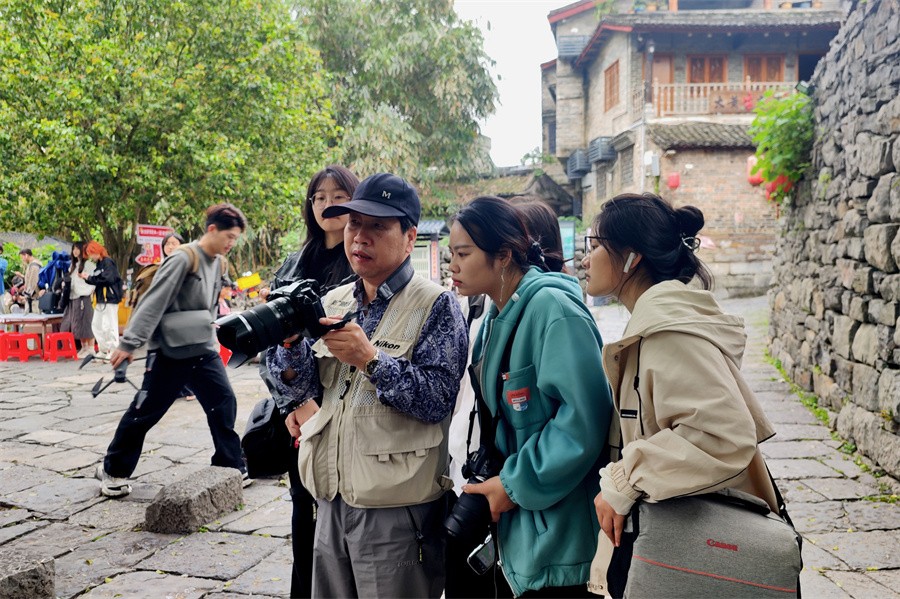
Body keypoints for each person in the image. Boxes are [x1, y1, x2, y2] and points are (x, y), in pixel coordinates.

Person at [266, 173, 468, 599]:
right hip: (331, 497)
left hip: (396, 509)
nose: (360, 236)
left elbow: (438, 399)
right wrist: (289, 344)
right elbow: (305, 385)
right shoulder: (334, 300)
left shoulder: (436, 304)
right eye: (355, 223)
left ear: (409, 237)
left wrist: (372, 360)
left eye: (378, 226)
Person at [582, 193, 780, 596]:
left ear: (631, 257)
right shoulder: (655, 323)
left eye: (596, 245)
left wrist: (624, 479)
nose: (586, 260)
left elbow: (721, 434)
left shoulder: (668, 332)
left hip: (700, 548)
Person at [447, 196, 612, 597]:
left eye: (463, 254)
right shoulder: (496, 314)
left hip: (560, 540)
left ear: (503, 255)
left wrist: (513, 485)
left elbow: (584, 421)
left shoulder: (553, 310)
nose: (452, 265)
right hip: (521, 534)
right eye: (452, 254)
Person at [95, 203, 249, 498]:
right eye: (229, 236)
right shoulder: (183, 258)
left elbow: (210, 307)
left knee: (223, 401)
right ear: (212, 229)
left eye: (235, 238)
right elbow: (154, 301)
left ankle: (230, 464)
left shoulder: (219, 263)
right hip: (169, 351)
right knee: (145, 413)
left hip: (203, 348)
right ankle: (113, 470)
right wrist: (129, 344)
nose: (232, 243)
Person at [258, 164, 357, 599]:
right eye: (319, 197)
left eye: (338, 196)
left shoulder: (362, 258)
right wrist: (292, 403)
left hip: (343, 404)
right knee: (304, 509)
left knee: (343, 512)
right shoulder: (293, 263)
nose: (327, 204)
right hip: (299, 415)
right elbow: (269, 340)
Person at [81, 242, 123, 360]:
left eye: (91, 253)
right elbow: (98, 279)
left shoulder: (108, 262)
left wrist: (90, 278)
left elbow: (108, 279)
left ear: (97, 251)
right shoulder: (99, 264)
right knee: (96, 325)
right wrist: (88, 278)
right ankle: (103, 350)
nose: (91, 256)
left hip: (109, 298)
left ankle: (113, 350)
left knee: (109, 326)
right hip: (101, 299)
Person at [60, 241, 96, 357]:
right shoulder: (73, 265)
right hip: (73, 297)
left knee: (86, 322)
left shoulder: (89, 265)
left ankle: (91, 348)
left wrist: (88, 291)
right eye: (73, 249)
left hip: (84, 297)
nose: (75, 251)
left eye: (77, 248)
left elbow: (94, 281)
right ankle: (84, 347)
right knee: (78, 323)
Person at [15, 249, 42, 313]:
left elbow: (34, 282)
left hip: (33, 298)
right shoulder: (32, 265)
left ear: (26, 255)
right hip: (32, 297)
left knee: (34, 316)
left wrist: (28, 295)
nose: (22, 260)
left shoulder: (34, 266)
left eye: (22, 257)